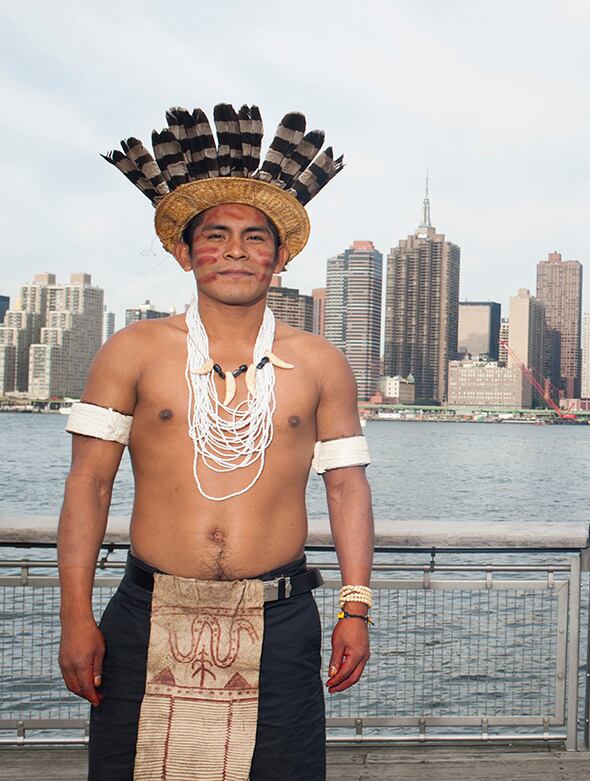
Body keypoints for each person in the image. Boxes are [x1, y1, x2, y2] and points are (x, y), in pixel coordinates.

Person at [57, 104, 374, 780]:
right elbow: (88, 483)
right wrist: (75, 617)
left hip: (281, 619)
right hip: (147, 613)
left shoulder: (320, 363)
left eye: (256, 237)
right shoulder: (132, 351)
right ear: (183, 252)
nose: (235, 250)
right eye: (217, 235)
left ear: (281, 256)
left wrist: (356, 606)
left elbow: (346, 485)